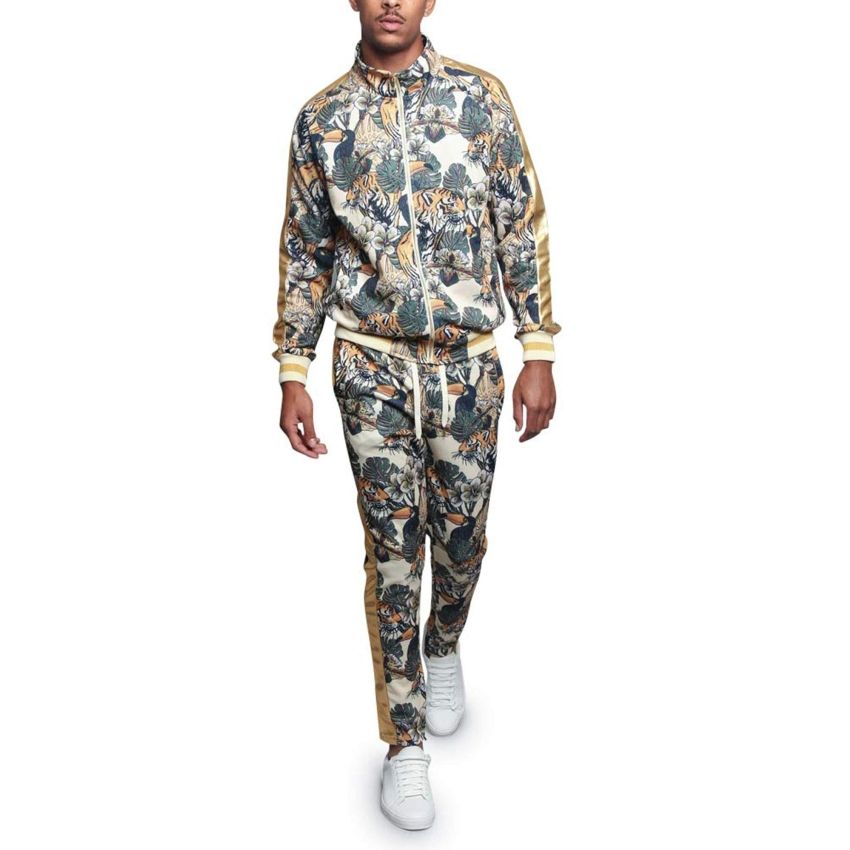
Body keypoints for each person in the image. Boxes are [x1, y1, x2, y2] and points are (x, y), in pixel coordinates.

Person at [272, 0, 561, 830]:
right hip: (370, 364)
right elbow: (304, 248)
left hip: (467, 365)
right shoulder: (322, 119)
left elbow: (520, 222)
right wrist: (293, 368)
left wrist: (538, 348)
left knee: (462, 538)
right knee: (393, 549)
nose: (392, 1)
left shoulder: (481, 99)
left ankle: (443, 643)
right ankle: (404, 744)